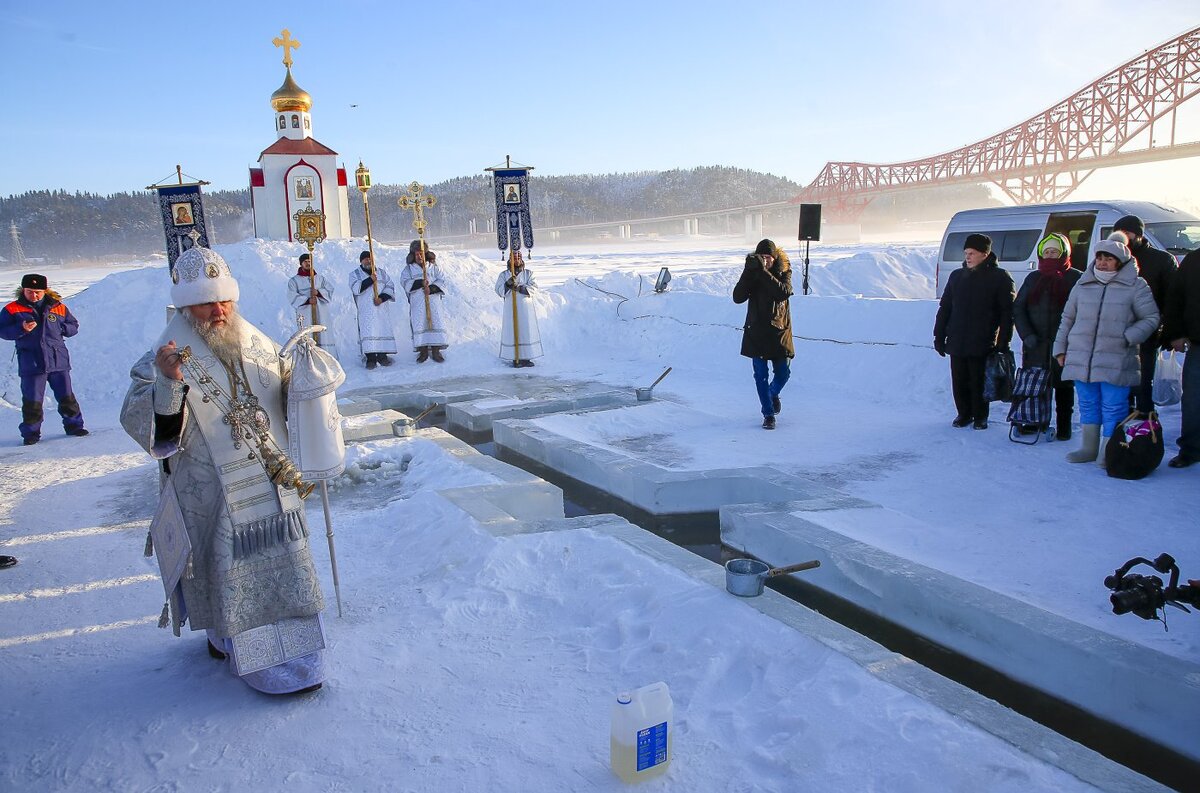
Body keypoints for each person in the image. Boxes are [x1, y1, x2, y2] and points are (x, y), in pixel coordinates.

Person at [120, 246, 327, 695]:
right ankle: (240, 648)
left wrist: (308, 376)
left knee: (284, 565)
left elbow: (287, 388)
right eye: (206, 302)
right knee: (227, 570)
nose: (219, 310)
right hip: (214, 494)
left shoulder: (254, 341)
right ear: (183, 306)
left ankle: (298, 660)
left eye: (225, 300)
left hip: (274, 491)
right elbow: (144, 422)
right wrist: (168, 383)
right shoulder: (163, 356)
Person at [1053, 236, 1159, 468]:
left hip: (1116, 357)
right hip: (1081, 355)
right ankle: (1089, 448)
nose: (1102, 263)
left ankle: (1109, 451)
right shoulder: (1083, 283)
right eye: (1099, 258)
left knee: (1114, 406)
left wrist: (1128, 337)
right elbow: (1067, 318)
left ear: (1119, 262)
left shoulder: (1136, 285)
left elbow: (1151, 318)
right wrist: (1060, 349)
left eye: (1108, 259)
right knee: (1088, 404)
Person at [933, 234, 1015, 430]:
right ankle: (963, 414)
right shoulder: (957, 276)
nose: (968, 257)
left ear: (985, 254)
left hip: (983, 339)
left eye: (972, 253)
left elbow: (1007, 313)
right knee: (959, 380)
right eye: (966, 253)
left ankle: (980, 416)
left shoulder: (1000, 277)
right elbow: (945, 308)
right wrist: (939, 335)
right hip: (957, 338)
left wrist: (1003, 341)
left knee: (979, 380)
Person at [0, 273, 88, 445]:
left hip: (58, 361)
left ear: (45, 290)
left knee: (66, 396)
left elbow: (73, 326)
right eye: (30, 291)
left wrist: (62, 327)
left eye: (38, 292)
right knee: (32, 400)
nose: (34, 295)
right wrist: (21, 328)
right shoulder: (12, 309)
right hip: (31, 362)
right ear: (23, 290)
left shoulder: (58, 307)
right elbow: (2, 330)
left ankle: (74, 426)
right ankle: (31, 433)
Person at [1013, 233, 1081, 440]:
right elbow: (1019, 308)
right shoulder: (1033, 278)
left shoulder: (1075, 278)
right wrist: (1027, 335)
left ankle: (1064, 428)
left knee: (1064, 388)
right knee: (1036, 387)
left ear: (1064, 254)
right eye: (1048, 252)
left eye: (1055, 252)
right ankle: (1035, 422)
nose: (1051, 255)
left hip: (1064, 344)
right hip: (1036, 344)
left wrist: (1072, 339)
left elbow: (1082, 310)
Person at [1112, 214, 1177, 413]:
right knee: (1119, 378)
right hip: (1116, 329)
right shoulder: (1112, 258)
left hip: (1147, 330)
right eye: (1119, 232)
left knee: (1142, 378)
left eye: (1127, 233)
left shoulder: (1161, 260)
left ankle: (1145, 421)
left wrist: (1166, 330)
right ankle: (1124, 418)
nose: (1123, 237)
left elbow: (1172, 298)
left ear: (1138, 235)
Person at [733, 239, 794, 430]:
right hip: (756, 333)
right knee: (760, 376)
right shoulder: (753, 273)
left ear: (775, 258)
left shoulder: (784, 271)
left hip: (779, 333)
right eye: (762, 258)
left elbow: (782, 293)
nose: (765, 261)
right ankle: (768, 415)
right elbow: (738, 297)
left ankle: (772, 393)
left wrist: (762, 272)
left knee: (783, 373)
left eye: (768, 258)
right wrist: (748, 272)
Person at [1163, 248, 1199, 468]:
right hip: (1198, 342)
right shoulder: (1194, 260)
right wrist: (1175, 333)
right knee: (1194, 400)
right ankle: (1191, 450)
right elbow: (1175, 297)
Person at [401, 240, 449, 363]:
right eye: (417, 254)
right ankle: (422, 352)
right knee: (420, 324)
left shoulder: (433, 268)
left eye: (421, 253)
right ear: (413, 255)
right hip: (418, 304)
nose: (419, 256)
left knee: (435, 323)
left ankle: (436, 350)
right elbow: (405, 282)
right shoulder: (409, 270)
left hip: (433, 302)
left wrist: (432, 289)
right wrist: (420, 283)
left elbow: (442, 280)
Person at [348, 250, 397, 369]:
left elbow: (390, 286)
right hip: (366, 311)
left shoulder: (382, 273)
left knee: (381, 330)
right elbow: (355, 288)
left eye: (370, 258)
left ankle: (382, 356)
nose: (368, 260)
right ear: (361, 261)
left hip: (380, 308)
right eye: (365, 259)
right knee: (368, 332)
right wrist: (370, 279)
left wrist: (382, 298)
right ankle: (370, 358)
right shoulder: (355, 274)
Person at [495, 249, 543, 367]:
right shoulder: (504, 275)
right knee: (513, 329)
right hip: (511, 307)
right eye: (514, 258)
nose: (516, 260)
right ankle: (515, 357)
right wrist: (507, 284)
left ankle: (526, 358)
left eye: (518, 258)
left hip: (525, 308)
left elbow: (534, 287)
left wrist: (521, 288)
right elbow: (499, 290)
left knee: (526, 330)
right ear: (510, 259)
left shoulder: (528, 273)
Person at [288, 253, 335, 351]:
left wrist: (318, 292)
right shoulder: (294, 281)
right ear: (301, 264)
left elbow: (330, 290)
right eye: (305, 262)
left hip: (320, 310)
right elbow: (292, 296)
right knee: (307, 333)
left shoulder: (320, 278)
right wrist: (307, 300)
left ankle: (326, 356)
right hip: (305, 312)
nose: (308, 263)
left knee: (322, 332)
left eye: (309, 261)